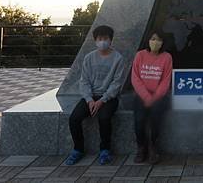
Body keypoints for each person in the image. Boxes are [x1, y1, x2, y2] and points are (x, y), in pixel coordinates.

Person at [65, 25, 125, 165]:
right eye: (99, 39)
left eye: (105, 38)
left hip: (109, 98)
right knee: (74, 118)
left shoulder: (118, 59)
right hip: (90, 97)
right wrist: (89, 100)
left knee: (104, 118)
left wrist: (102, 100)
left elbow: (116, 84)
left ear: (111, 40)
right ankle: (78, 149)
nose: (102, 41)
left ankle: (105, 150)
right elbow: (84, 81)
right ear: (95, 40)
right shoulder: (89, 58)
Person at [131, 30, 173, 164]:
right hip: (141, 95)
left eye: (159, 40)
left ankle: (153, 147)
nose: (155, 42)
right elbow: (135, 78)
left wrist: (153, 98)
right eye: (153, 39)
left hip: (159, 97)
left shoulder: (167, 57)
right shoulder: (140, 55)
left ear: (163, 42)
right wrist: (146, 96)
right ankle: (141, 148)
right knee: (139, 120)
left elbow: (166, 81)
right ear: (148, 41)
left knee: (156, 118)